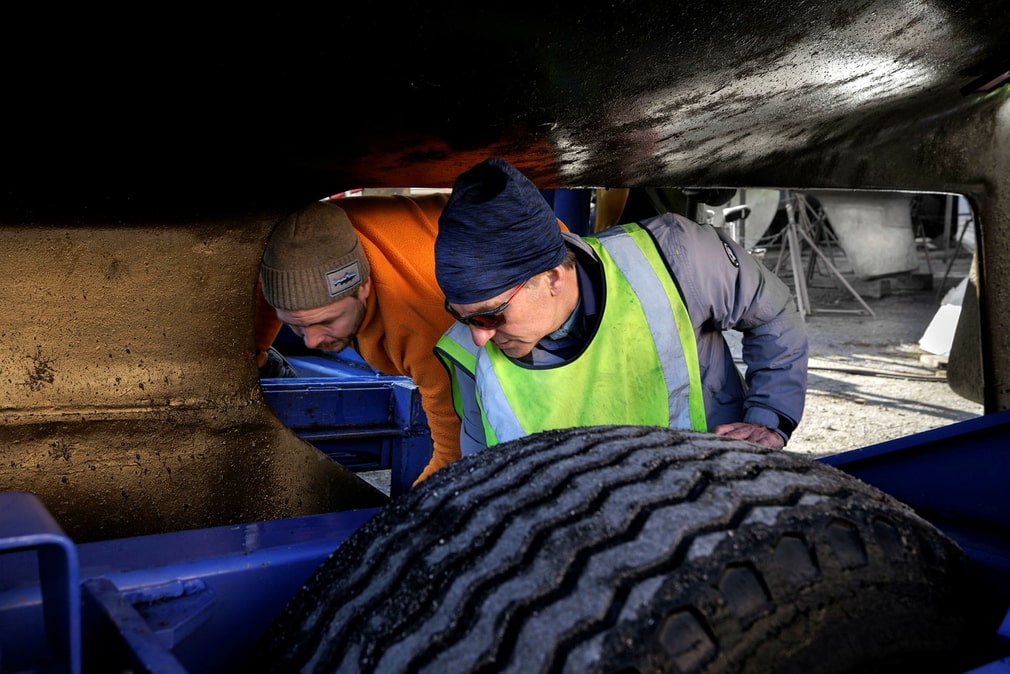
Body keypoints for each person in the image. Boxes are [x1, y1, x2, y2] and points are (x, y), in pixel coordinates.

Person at [433, 157, 808, 454]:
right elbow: (483, 473)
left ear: (552, 278)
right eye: (463, 317)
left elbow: (772, 312)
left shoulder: (675, 257)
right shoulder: (468, 354)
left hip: (706, 501)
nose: (480, 337)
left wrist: (767, 417)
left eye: (492, 315)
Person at [258, 193, 461, 484]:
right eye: (296, 325)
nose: (311, 341)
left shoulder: (426, 326)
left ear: (363, 286)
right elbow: (261, 303)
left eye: (326, 321)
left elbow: (455, 458)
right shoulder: (290, 254)